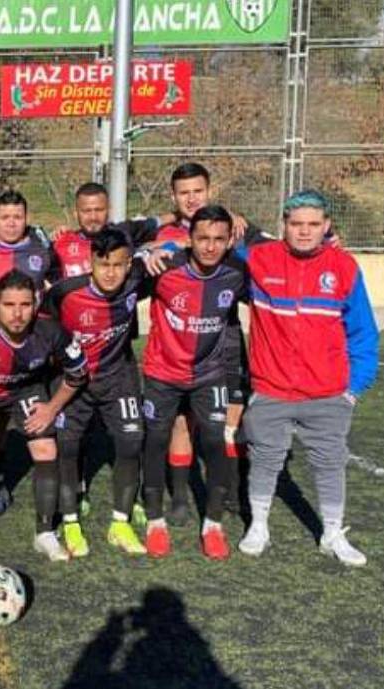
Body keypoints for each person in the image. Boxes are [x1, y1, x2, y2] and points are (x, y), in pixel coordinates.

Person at [235, 190, 379, 566]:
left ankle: (332, 533)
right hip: (271, 389)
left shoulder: (344, 266)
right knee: (265, 459)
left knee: (330, 463)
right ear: (282, 226)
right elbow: (210, 243)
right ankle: (259, 525)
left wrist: (353, 389)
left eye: (313, 225)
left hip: (328, 393)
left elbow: (363, 332)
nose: (304, 232)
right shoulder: (259, 259)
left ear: (327, 226)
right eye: (296, 224)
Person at [0, 270, 87, 566]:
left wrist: (51, 407)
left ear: (36, 303)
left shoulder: (51, 331)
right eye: (9, 305)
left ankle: (44, 532)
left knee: (46, 447)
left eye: (25, 305)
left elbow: (78, 373)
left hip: (25, 390)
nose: (17, 314)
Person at [139, 205, 248, 560]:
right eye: (203, 238)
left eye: (219, 239)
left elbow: (277, 260)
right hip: (162, 373)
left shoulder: (237, 272)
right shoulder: (164, 267)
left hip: (210, 374)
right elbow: (120, 263)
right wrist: (146, 251)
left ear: (229, 240)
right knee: (155, 440)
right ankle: (155, 522)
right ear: (189, 238)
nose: (210, 247)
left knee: (216, 442)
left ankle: (212, 526)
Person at [41, 229, 155, 557]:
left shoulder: (137, 280)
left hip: (118, 376)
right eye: (103, 264)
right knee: (67, 445)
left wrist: (156, 252)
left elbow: (177, 254)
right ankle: (72, 522)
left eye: (119, 265)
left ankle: (120, 523)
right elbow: (45, 330)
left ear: (129, 264)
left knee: (132, 441)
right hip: (74, 381)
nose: (111, 272)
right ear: (90, 262)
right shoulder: (65, 293)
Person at [51, 182, 177, 278]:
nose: (93, 217)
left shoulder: (123, 232)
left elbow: (157, 222)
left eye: (99, 210)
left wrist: (183, 215)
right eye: (86, 211)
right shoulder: (61, 242)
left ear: (109, 211)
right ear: (75, 213)